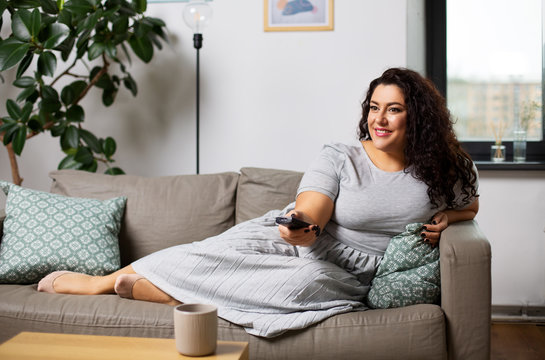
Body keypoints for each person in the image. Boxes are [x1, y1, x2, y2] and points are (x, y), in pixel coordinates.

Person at [37, 68, 479, 337]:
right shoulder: (340, 155)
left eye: (394, 109)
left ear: (416, 116)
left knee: (298, 285)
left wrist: (451, 215)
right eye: (374, 107)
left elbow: (471, 205)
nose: (379, 119)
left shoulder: (446, 166)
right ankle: (101, 282)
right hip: (306, 237)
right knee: (208, 252)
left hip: (355, 267)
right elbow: (313, 206)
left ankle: (173, 297)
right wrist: (299, 225)